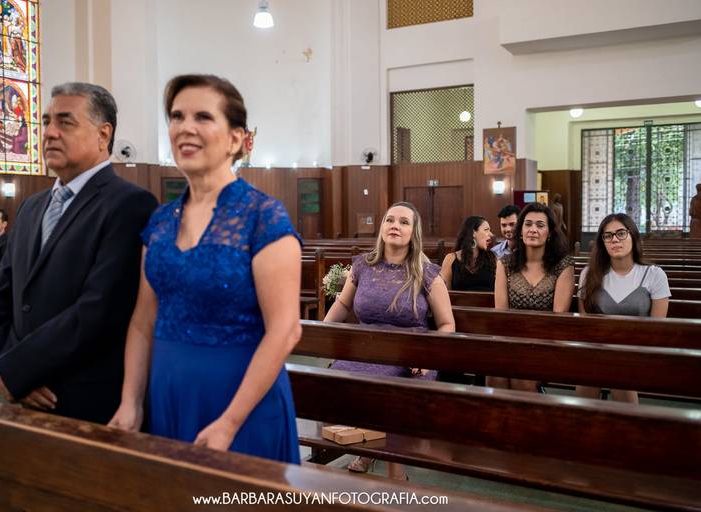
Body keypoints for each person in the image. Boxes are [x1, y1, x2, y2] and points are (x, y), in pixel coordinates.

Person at [108, 75, 302, 464]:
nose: (185, 127)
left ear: (235, 139)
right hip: (168, 393)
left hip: (240, 401)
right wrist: (131, 401)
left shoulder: (262, 216)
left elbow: (285, 330)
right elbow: (143, 321)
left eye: (203, 117)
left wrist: (229, 423)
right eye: (177, 117)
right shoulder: (160, 221)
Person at [0, 82, 158, 423]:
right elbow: (4, 295)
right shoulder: (30, 207)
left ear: (103, 135)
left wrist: (21, 368)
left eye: (65, 122)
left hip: (85, 398)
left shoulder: (130, 204)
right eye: (46, 122)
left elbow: (100, 308)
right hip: (24, 396)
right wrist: (10, 368)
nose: (49, 133)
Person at [324, 201, 455, 479]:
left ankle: (396, 473)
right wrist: (320, 334)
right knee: (335, 381)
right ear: (382, 227)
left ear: (413, 232)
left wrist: (428, 356)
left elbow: (447, 324)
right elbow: (343, 305)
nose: (395, 225)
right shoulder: (363, 265)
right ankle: (367, 449)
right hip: (366, 351)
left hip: (412, 357)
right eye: (390, 220)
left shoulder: (426, 272)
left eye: (404, 222)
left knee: (390, 394)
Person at [576, 213, 670, 403]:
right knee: (589, 374)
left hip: (638, 351)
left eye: (621, 233)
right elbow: (585, 323)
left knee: (617, 372)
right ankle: (584, 420)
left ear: (633, 236)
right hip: (598, 350)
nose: (614, 240)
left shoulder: (654, 274)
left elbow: (657, 329)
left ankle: (627, 421)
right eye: (608, 236)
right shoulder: (589, 274)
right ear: (602, 242)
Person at [491, 202, 574, 392]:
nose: (533, 230)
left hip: (547, 342)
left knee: (522, 377)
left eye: (540, 225)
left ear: (550, 232)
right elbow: (501, 314)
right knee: (494, 373)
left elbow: (558, 319)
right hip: (511, 340)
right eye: (528, 224)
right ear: (520, 230)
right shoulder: (506, 263)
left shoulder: (563, 265)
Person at [440, 215, 496, 291]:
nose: (491, 234)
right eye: (486, 230)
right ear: (473, 233)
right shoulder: (450, 259)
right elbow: (444, 293)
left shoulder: (492, 258)